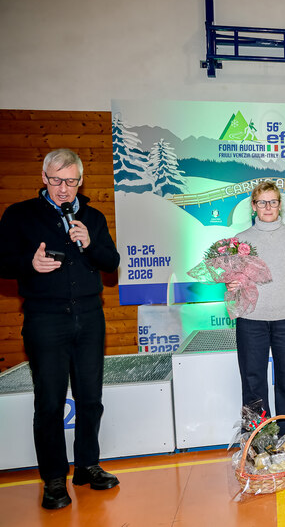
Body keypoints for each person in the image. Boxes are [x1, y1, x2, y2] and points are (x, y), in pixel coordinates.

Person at [0, 149, 121, 509]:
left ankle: (87, 465)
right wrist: (30, 263)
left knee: (90, 398)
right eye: (56, 180)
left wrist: (91, 243)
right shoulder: (20, 215)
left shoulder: (93, 217)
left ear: (81, 181)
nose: (63, 188)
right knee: (50, 402)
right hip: (45, 319)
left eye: (70, 181)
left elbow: (111, 263)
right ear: (44, 178)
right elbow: (2, 261)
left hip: (90, 316)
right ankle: (54, 478)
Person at [229, 181, 285, 435]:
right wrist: (231, 284)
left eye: (273, 202)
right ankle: (257, 438)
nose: (268, 207)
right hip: (250, 320)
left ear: (279, 205)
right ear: (253, 206)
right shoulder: (239, 241)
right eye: (262, 202)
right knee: (252, 380)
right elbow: (232, 282)